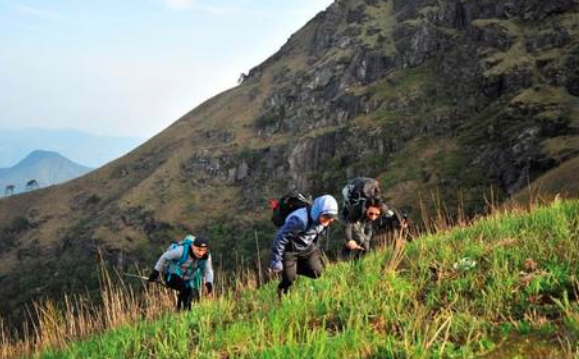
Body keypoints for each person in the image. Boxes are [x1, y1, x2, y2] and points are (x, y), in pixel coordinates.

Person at [269, 194, 339, 296]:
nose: (328, 221)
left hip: (307, 248)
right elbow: (280, 237)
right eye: (326, 217)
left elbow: (316, 235)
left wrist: (316, 249)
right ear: (318, 212)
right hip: (290, 249)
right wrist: (276, 261)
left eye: (331, 218)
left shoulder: (323, 222)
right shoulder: (299, 220)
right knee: (288, 279)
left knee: (317, 272)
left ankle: (292, 268)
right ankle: (281, 294)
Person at [148, 235, 214, 310]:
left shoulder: (206, 257)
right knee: (186, 290)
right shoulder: (181, 251)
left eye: (204, 250)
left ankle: (182, 311)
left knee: (191, 294)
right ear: (192, 246)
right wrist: (156, 272)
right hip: (172, 276)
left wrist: (209, 284)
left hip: (188, 280)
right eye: (199, 250)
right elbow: (165, 256)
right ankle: (183, 311)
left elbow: (208, 270)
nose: (201, 253)